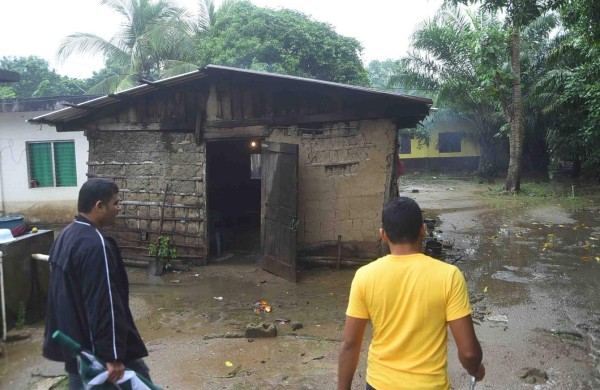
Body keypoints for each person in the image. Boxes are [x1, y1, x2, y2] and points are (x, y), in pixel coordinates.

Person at [338, 197, 484, 389]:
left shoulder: (364, 276)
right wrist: (475, 369)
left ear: (383, 235)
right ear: (423, 230)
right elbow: (469, 353)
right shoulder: (449, 276)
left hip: (379, 385)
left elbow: (350, 344)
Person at [43, 178, 151, 389]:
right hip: (95, 350)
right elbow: (104, 303)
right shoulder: (95, 244)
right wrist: (111, 354)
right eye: (116, 203)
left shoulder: (66, 235)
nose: (119, 209)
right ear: (99, 206)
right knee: (139, 379)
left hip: (77, 345)